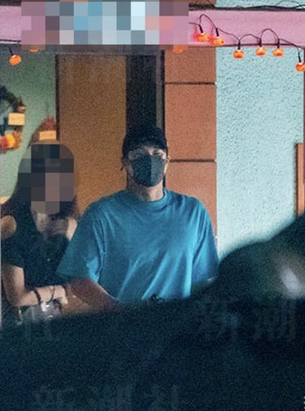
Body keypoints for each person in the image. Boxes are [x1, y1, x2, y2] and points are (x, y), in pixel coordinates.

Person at [56, 126, 218, 311]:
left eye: (157, 154)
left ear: (167, 162)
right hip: (123, 326)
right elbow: (80, 281)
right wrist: (122, 312)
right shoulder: (101, 215)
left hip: (179, 326)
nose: (150, 160)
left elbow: (204, 279)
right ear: (126, 164)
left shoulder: (193, 213)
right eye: (139, 154)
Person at [0, 141, 79, 326]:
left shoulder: (68, 222)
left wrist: (69, 238)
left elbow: (78, 288)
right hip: (19, 326)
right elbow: (17, 296)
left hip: (57, 322)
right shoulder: (12, 224)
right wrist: (57, 292)